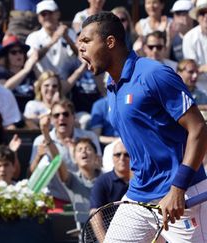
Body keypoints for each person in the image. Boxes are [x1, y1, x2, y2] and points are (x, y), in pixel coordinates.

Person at [78, 12, 207, 241]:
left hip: (182, 193)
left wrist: (178, 187)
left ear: (110, 42)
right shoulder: (111, 85)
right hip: (139, 195)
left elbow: (199, 129)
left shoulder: (154, 74)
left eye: (86, 41)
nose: (81, 49)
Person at [29, 99, 101, 211]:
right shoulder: (41, 140)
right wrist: (38, 156)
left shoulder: (89, 137)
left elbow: (98, 166)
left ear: (74, 117)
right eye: (56, 115)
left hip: (85, 199)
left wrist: (75, 153)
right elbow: (32, 174)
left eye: (66, 114)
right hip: (56, 202)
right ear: (52, 119)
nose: (61, 118)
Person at [25, 0, 79, 81]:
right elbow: (32, 59)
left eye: (50, 13)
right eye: (43, 14)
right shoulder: (33, 37)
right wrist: (52, 41)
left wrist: (67, 38)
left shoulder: (70, 32)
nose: (47, 17)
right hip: (43, 83)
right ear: (39, 18)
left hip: (67, 82)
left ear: (58, 14)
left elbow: (80, 56)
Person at [57, 137, 102, 230]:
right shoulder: (72, 179)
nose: (84, 152)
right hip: (84, 233)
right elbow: (58, 161)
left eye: (88, 149)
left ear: (96, 157)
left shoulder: (107, 179)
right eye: (79, 150)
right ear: (74, 158)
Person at [0, 35, 39, 112]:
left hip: (31, 113)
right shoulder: (0, 72)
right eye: (14, 52)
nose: (18, 55)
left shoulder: (31, 72)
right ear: (6, 56)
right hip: (10, 113)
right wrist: (25, 70)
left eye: (21, 52)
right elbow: (4, 88)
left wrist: (34, 66)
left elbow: (43, 85)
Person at [90, 139, 130, 211]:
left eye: (126, 155)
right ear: (112, 158)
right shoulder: (102, 182)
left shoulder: (141, 181)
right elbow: (95, 211)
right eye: (118, 155)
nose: (122, 158)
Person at [183, 0, 207, 92]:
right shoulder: (189, 37)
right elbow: (192, 68)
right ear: (197, 17)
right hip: (198, 89)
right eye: (202, 13)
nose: (206, 16)